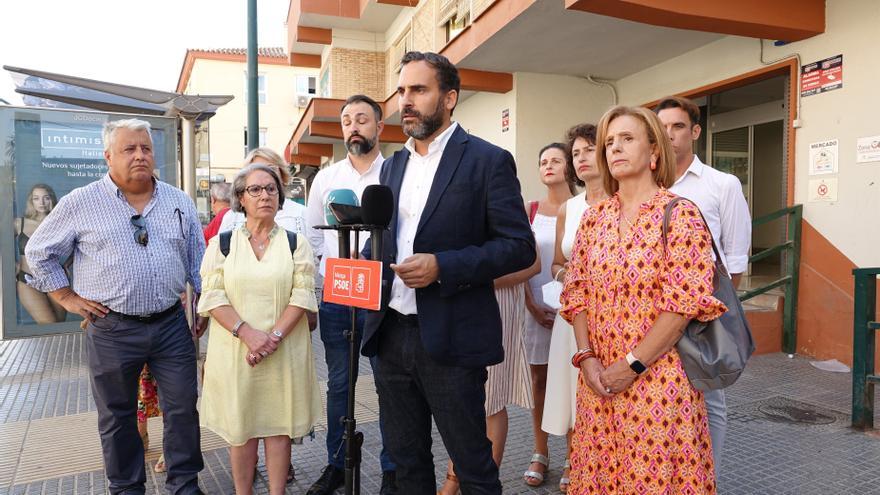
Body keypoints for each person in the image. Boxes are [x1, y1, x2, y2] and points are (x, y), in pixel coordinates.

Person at [360, 51, 536, 494]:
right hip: (391, 335)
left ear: (450, 97)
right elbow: (382, 238)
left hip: (453, 338)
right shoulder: (393, 165)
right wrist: (364, 260)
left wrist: (443, 266)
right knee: (406, 465)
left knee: (473, 467)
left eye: (419, 90)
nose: (407, 101)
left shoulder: (487, 160)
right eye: (402, 91)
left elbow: (518, 248)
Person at [25, 118, 207, 494]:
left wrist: (203, 301)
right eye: (129, 149)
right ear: (108, 156)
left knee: (183, 411)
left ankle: (185, 486)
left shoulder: (178, 201)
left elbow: (197, 258)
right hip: (111, 328)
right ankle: (126, 488)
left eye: (145, 148)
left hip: (171, 325)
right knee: (117, 417)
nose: (140, 155)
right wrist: (67, 298)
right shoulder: (81, 202)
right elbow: (38, 253)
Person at [560, 106, 724, 493]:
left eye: (627, 139)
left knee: (653, 480)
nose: (615, 148)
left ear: (654, 151)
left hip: (658, 380)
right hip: (598, 381)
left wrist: (631, 366)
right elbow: (577, 291)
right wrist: (587, 358)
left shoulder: (679, 214)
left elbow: (683, 304)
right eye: (609, 142)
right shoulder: (594, 218)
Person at [197, 164, 320, 495]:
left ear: (280, 197)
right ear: (240, 198)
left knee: (279, 428)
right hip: (237, 352)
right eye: (255, 189)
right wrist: (248, 334)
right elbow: (212, 296)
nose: (265, 195)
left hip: (284, 352)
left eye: (271, 189)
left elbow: (303, 294)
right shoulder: (221, 245)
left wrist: (272, 338)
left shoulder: (297, 244)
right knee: (242, 428)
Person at [303, 94, 398, 495]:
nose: (354, 126)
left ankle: (394, 469)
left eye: (362, 119)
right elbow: (312, 235)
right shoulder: (326, 179)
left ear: (378, 126)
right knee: (339, 383)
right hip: (339, 294)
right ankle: (337, 465)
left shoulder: (395, 172)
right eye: (346, 120)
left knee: (389, 382)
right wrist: (325, 281)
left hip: (384, 296)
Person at [655, 95, 752, 462]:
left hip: (700, 312)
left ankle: (709, 479)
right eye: (662, 128)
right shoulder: (646, 186)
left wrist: (715, 314)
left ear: (694, 131)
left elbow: (735, 258)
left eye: (678, 127)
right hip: (651, 311)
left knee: (709, 397)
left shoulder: (721, 184)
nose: (669, 135)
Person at [541, 123, 608, 493]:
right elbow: (555, 263)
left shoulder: (623, 202)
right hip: (571, 317)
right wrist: (568, 273)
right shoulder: (569, 207)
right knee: (570, 394)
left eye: (589, 149)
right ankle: (573, 461)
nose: (581, 158)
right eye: (576, 152)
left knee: (603, 393)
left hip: (612, 319)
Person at [438, 256, 539, 495]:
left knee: (491, 399)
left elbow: (533, 263)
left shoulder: (508, 217)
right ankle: (457, 480)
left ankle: (471, 485)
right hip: (458, 308)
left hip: (496, 307)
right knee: (463, 397)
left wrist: (477, 281)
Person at [521, 143, 574, 488]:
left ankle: (576, 455)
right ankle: (540, 453)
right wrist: (531, 305)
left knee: (573, 384)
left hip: (574, 311)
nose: (548, 166)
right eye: (543, 161)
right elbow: (522, 262)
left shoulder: (584, 207)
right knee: (538, 381)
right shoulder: (530, 210)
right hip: (536, 309)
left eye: (556, 160)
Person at [219, 147, 307, 236]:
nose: (265, 174)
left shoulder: (301, 215)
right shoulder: (231, 219)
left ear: (282, 174)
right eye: (257, 169)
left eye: (271, 169)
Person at [15, 183, 67, 324]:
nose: (42, 202)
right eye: (36, 198)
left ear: (52, 199)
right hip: (27, 279)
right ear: (31, 201)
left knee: (59, 325)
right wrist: (11, 263)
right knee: (48, 323)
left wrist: (66, 266)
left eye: (46, 198)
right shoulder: (20, 223)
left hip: (56, 279)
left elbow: (79, 244)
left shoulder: (59, 223)